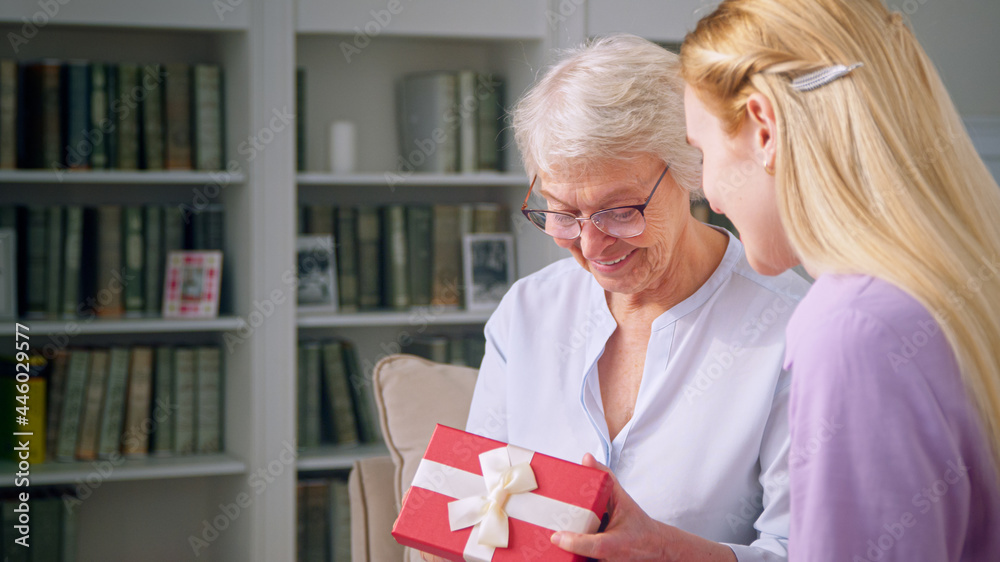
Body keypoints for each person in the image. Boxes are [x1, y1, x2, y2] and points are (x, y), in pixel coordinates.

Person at [454, 34, 812, 561]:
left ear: (692, 167)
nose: (591, 244)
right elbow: (477, 509)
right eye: (562, 211)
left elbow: (806, 550)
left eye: (620, 210)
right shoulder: (526, 313)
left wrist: (670, 553)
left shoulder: (791, 327)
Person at [675, 0, 1000, 560]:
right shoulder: (949, 290)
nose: (706, 191)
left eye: (701, 151)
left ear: (764, 130)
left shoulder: (853, 328)